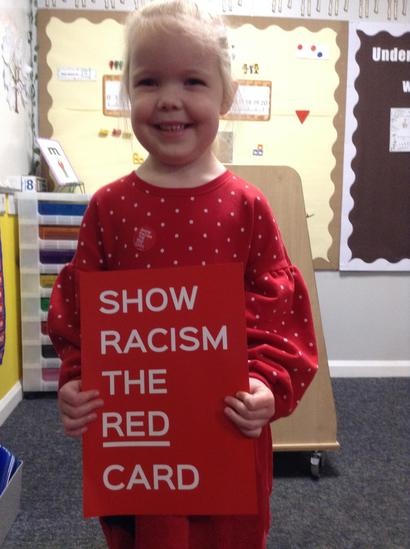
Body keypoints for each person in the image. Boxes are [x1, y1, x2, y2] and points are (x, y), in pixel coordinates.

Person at [48, 1, 319, 548]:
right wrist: (75, 381)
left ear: (225, 95)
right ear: (128, 94)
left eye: (192, 81)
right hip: (139, 446)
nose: (169, 99)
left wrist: (268, 384)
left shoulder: (247, 207)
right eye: (149, 81)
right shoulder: (108, 209)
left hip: (225, 435)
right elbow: (80, 314)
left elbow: (279, 313)